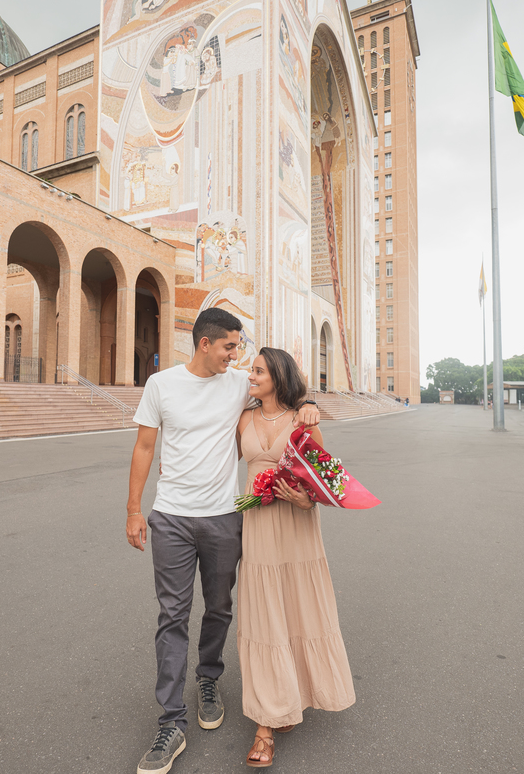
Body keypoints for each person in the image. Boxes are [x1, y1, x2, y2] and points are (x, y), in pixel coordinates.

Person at [126, 309, 320, 774]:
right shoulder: (162, 386)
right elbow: (145, 447)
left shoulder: (239, 385)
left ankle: (208, 678)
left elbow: (284, 390)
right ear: (205, 344)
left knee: (218, 608)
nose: (238, 356)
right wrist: (134, 508)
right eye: (231, 347)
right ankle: (170, 722)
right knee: (171, 614)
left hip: (222, 519)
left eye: (240, 349)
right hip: (170, 516)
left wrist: (310, 404)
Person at [235, 347, 355, 768]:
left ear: (278, 377)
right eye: (251, 369)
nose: (252, 375)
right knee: (265, 616)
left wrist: (307, 501)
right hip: (258, 529)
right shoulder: (244, 419)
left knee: (296, 610)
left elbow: (326, 483)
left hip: (298, 529)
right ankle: (265, 725)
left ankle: (289, 698)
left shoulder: (304, 420)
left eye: (259, 370)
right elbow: (219, 463)